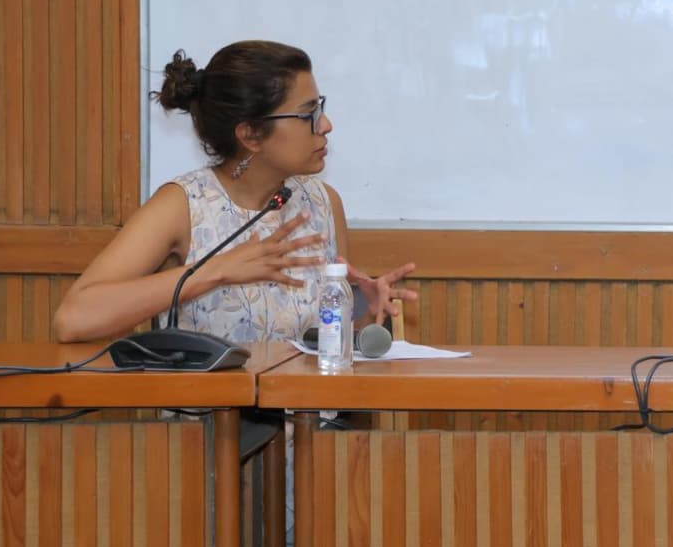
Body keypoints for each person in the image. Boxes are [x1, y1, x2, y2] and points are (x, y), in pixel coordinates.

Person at [53, 40, 415, 343]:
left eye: (319, 108)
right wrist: (217, 270)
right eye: (307, 114)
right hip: (208, 409)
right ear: (250, 135)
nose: (326, 125)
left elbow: (328, 347)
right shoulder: (183, 205)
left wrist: (364, 311)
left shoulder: (323, 203)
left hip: (306, 408)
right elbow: (73, 319)